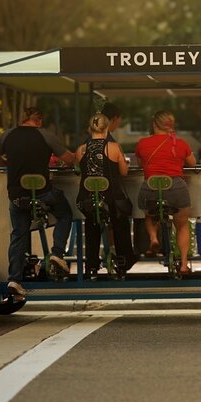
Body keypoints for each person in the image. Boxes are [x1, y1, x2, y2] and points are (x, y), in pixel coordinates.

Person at [0, 107, 75, 298]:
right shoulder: (46, 136)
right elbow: (69, 159)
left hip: (17, 196)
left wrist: (9, 167)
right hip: (44, 194)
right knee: (65, 213)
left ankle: (14, 280)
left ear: (21, 119)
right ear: (39, 120)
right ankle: (57, 254)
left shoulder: (7, 135)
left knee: (19, 234)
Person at [75, 113, 137, 279]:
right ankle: (123, 260)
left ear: (91, 128)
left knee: (91, 224)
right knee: (120, 224)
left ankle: (92, 265)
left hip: (88, 200)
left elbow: (81, 171)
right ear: (107, 127)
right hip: (112, 200)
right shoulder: (113, 147)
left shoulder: (81, 149)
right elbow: (123, 172)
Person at [135, 110, 196, 273]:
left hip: (150, 188)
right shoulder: (180, 143)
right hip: (176, 188)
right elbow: (192, 163)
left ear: (154, 124)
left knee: (148, 214)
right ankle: (183, 264)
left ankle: (154, 237)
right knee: (182, 225)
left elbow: (141, 165)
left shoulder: (142, 143)